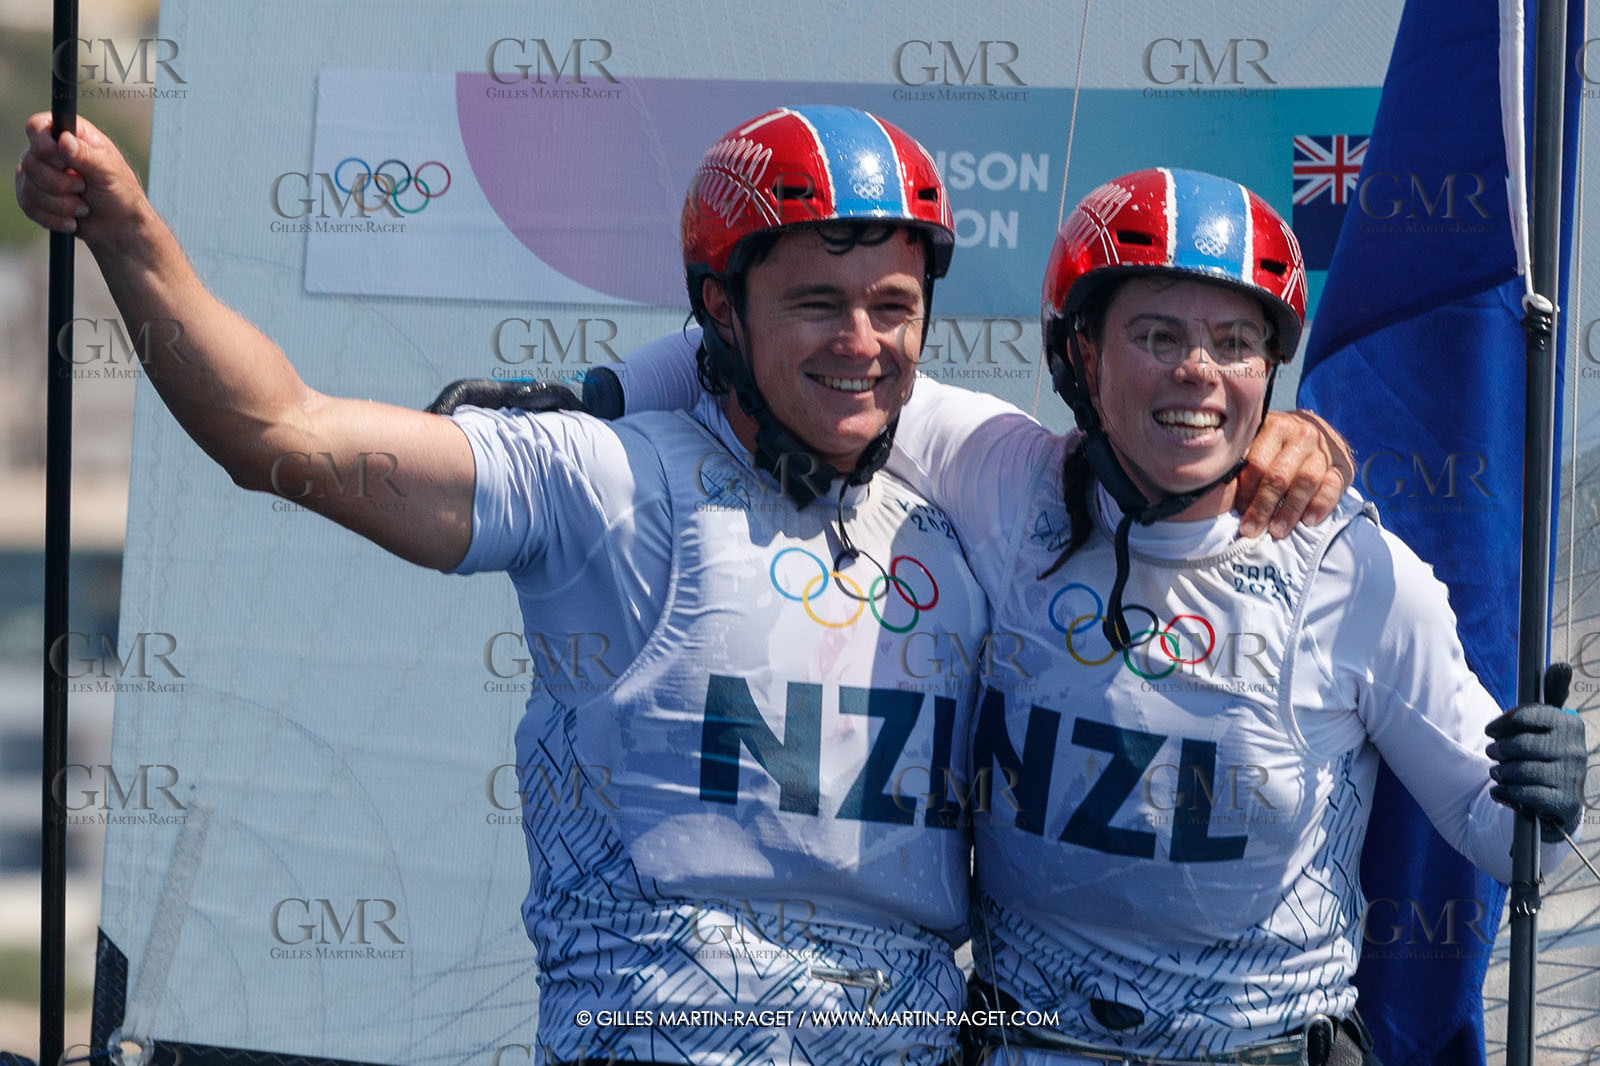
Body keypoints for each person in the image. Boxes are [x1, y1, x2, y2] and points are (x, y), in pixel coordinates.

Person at [17, 104, 1349, 1065]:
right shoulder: (603, 479)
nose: (863, 343)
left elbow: (1168, 467)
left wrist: (1298, 446)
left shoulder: (971, 489)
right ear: (721, 308)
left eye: (893, 306)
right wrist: (126, 232)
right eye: (817, 303)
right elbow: (282, 433)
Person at [589, 168, 1588, 1066]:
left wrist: (1543, 799)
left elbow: (1505, 840)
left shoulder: (1354, 569)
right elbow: (758, 343)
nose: (1197, 369)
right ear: (1079, 356)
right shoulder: (1002, 474)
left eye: (1233, 343)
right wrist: (594, 395)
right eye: (1157, 336)